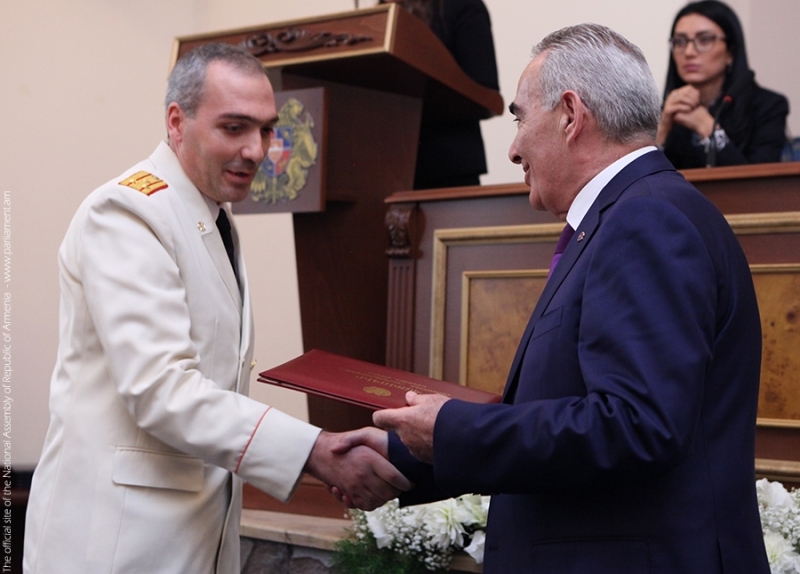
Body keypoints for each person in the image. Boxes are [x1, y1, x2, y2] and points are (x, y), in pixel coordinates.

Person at [338, 23, 770, 573]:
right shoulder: (633, 214)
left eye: (519, 118)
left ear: (570, 114)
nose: (514, 148)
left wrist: (451, 430)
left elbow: (636, 425)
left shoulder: (646, 219)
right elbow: (568, 409)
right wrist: (408, 454)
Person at [23, 43, 410, 574]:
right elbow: (160, 388)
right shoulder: (127, 211)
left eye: (266, 130)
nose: (256, 150)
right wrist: (312, 450)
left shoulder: (211, 215)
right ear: (176, 122)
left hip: (192, 537)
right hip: (115, 543)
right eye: (234, 128)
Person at [380, 0, 500, 189]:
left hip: (447, 169)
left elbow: (487, 95)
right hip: (383, 168)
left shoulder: (461, 6)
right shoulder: (379, 14)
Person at [657, 0, 789, 169]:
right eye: (680, 42)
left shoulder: (768, 107)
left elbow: (758, 183)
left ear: (730, 52)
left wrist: (706, 127)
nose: (689, 52)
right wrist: (662, 129)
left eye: (705, 39)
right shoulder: (664, 113)